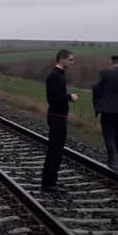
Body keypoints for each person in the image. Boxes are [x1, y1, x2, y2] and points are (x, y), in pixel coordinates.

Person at [41, 49, 79, 190]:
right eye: (70, 59)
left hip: (59, 117)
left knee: (57, 150)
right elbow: (53, 99)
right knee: (55, 150)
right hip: (56, 117)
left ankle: (52, 181)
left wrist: (67, 96)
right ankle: (48, 183)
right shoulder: (55, 76)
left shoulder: (59, 75)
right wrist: (69, 97)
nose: (72, 62)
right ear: (61, 59)